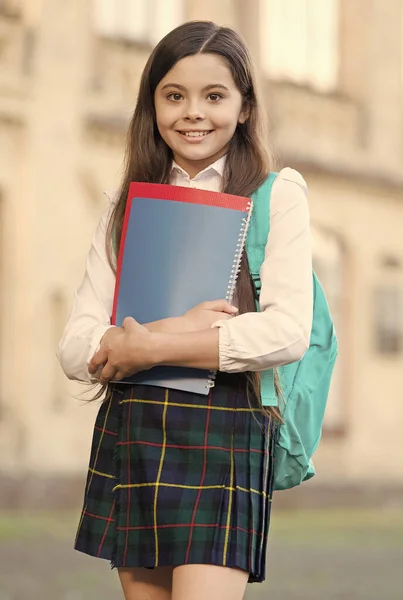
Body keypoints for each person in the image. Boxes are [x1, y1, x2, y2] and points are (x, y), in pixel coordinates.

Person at [57, 20, 312, 600]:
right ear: (153, 105)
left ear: (245, 107)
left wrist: (148, 347)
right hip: (136, 427)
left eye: (214, 96)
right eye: (174, 96)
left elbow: (287, 332)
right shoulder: (122, 207)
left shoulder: (277, 196)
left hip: (226, 428)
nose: (192, 113)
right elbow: (75, 348)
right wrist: (173, 329)